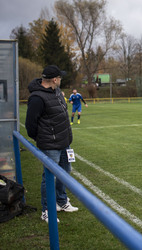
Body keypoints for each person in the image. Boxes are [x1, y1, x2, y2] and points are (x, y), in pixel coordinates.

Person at [25, 65, 78, 223]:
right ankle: (47, 209)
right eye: (60, 77)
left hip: (65, 142)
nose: (61, 79)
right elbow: (30, 125)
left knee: (65, 172)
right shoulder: (37, 98)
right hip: (50, 145)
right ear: (55, 79)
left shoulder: (56, 91)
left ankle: (61, 202)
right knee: (49, 177)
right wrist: (43, 139)